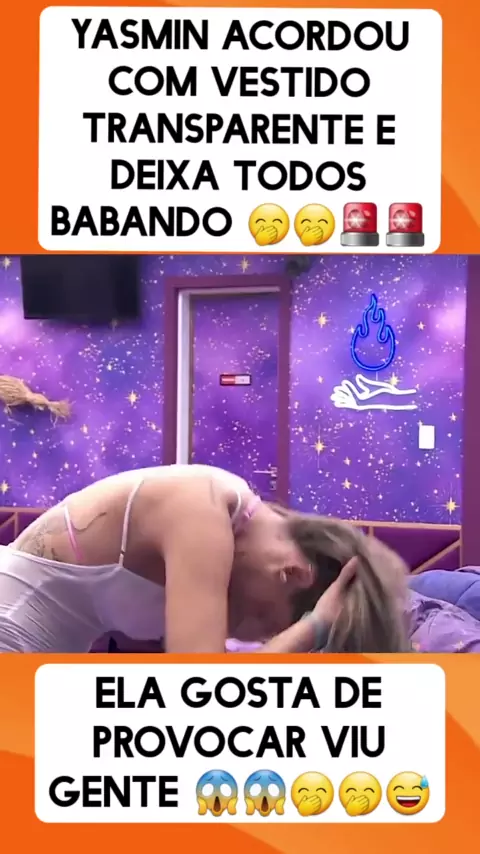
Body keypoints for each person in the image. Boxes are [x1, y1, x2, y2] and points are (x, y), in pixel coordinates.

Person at [0, 464, 409, 653]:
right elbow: (199, 694)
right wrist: (311, 628)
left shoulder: (225, 526)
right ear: (292, 573)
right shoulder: (202, 508)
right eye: (266, 621)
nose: (250, 636)